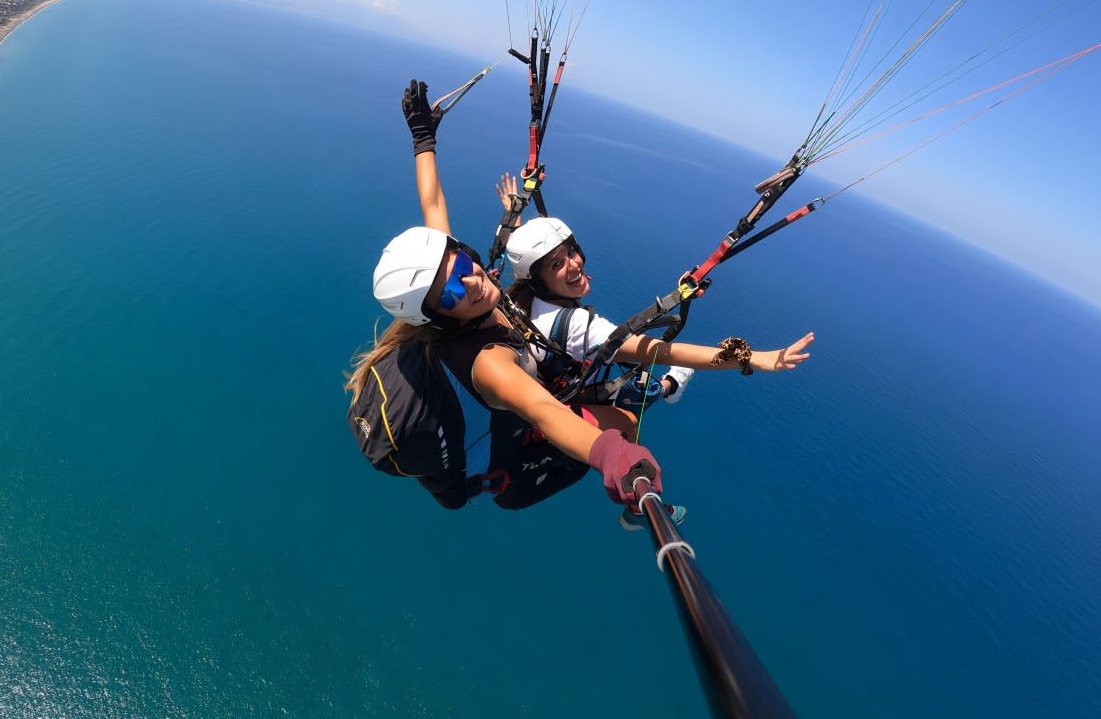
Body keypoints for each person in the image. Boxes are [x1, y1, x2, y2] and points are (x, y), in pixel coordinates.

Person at [347, 78, 814, 527]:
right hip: (517, 457)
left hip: (529, 397)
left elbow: (433, 207)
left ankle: (658, 390)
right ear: (437, 315)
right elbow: (546, 410)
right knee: (626, 421)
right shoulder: (489, 363)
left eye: (463, 262)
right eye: (451, 291)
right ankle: (644, 477)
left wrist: (423, 138)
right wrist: (613, 454)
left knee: (609, 388)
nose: (470, 281)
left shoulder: (481, 300)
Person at [495, 173, 693, 413]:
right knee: (635, 399)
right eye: (557, 265)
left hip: (552, 384)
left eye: (570, 253)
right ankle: (672, 385)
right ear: (539, 279)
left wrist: (513, 214)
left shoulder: (519, 295)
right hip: (573, 397)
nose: (574, 264)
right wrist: (748, 358)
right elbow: (660, 353)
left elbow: (526, 264)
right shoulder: (577, 325)